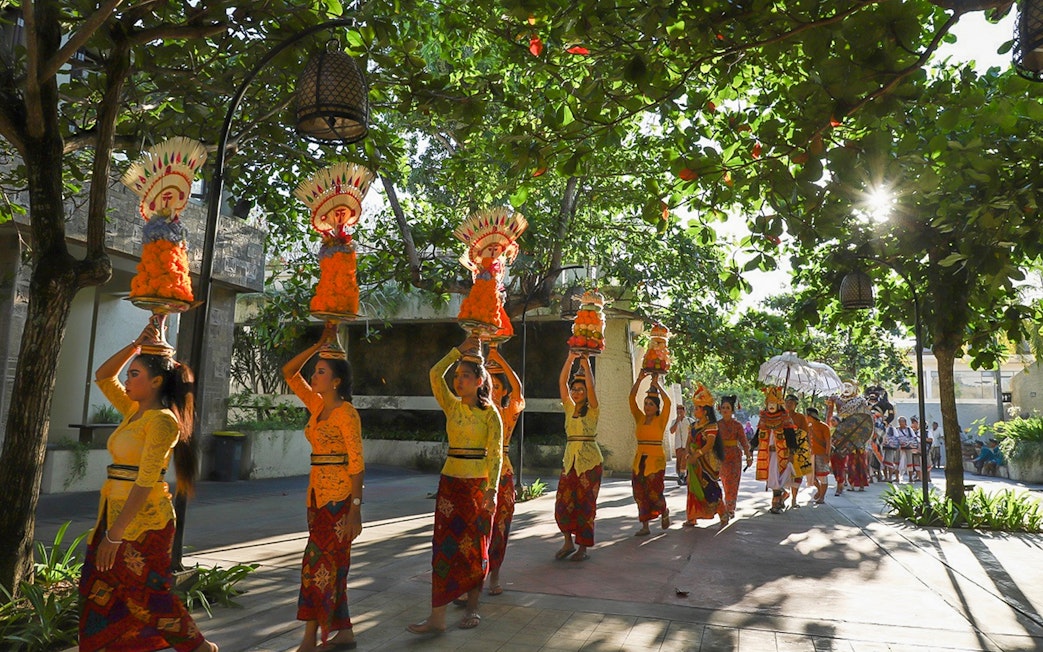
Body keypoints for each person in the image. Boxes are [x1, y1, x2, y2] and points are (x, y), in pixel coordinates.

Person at [78, 321, 218, 652]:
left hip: (144, 523)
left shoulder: (163, 421)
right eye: (129, 374)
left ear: (156, 381)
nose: (127, 380)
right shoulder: (133, 411)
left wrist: (116, 534)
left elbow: (145, 481)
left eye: (135, 374)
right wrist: (135, 346)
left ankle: (198, 647)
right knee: (98, 588)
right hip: (112, 515)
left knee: (147, 595)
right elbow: (102, 376)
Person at [409, 335, 503, 634]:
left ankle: (473, 607)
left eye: (465, 376)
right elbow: (435, 374)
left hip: (477, 486)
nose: (458, 381)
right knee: (444, 548)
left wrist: (492, 490)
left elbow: (497, 452)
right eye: (458, 376)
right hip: (450, 484)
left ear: (479, 381)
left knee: (474, 548)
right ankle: (437, 618)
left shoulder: (491, 414)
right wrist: (458, 350)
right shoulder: (451, 406)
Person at [282, 323, 364, 651]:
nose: (314, 376)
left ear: (336, 380)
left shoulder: (347, 414)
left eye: (320, 371)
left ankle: (310, 639)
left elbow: (357, 465)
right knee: (330, 568)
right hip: (315, 498)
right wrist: (319, 343)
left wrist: (355, 511)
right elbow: (289, 372)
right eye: (314, 371)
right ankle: (344, 633)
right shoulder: (317, 406)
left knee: (318, 568)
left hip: (340, 501)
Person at [484, 345, 525, 596]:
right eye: (489, 386)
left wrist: (499, 358)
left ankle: (495, 575)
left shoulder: (508, 411)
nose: (493, 390)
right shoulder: (476, 410)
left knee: (499, 527)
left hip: (503, 474)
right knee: (476, 529)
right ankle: (472, 581)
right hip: (478, 472)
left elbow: (519, 389)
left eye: (497, 386)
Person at [554, 351, 603, 562]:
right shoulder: (568, 408)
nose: (576, 392)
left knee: (586, 505)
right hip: (569, 462)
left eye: (580, 390)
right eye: (574, 389)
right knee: (563, 503)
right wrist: (570, 357)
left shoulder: (592, 409)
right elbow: (562, 381)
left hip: (590, 462)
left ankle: (583, 546)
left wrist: (586, 362)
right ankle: (567, 541)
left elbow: (591, 387)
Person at [628, 370, 672, 536]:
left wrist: (657, 385)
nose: (647, 407)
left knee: (654, 492)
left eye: (650, 404)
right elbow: (631, 399)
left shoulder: (661, 420)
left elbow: (668, 403)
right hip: (639, 460)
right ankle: (645, 526)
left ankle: (664, 510)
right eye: (646, 404)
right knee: (639, 492)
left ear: (656, 407)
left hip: (655, 461)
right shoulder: (639, 418)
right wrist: (639, 381)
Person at [684, 383, 729, 528]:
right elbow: (688, 442)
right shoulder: (692, 426)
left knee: (709, 488)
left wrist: (696, 455)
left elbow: (709, 445)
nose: (695, 411)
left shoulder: (711, 426)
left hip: (706, 463)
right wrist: (687, 455)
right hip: (693, 462)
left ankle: (722, 512)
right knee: (692, 488)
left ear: (705, 411)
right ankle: (692, 517)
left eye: (697, 408)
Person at [755, 386, 798, 514]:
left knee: (778, 479)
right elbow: (757, 435)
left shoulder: (785, 419)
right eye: (769, 404)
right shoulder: (764, 419)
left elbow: (791, 437)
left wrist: (791, 452)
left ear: (779, 404)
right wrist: (751, 447)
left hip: (781, 455)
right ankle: (778, 500)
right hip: (768, 454)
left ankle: (777, 503)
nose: (771, 406)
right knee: (773, 479)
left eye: (774, 403)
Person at [717, 395, 751, 519]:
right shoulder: (717, 425)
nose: (725, 410)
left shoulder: (737, 425)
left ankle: (730, 509)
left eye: (728, 407)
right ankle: (726, 506)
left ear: (732, 410)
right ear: (720, 409)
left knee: (733, 484)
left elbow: (744, 441)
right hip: (721, 457)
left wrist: (748, 456)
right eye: (723, 407)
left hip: (734, 457)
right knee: (725, 483)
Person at [783, 394, 813, 508]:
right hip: (784, 448)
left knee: (797, 474)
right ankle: (781, 496)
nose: (789, 404)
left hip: (798, 448)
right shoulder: (780, 416)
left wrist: (809, 447)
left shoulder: (800, 417)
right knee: (783, 474)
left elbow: (805, 433)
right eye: (787, 402)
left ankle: (794, 499)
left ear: (795, 405)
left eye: (792, 403)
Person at [806, 407, 832, 504]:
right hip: (811, 454)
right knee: (811, 477)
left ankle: (822, 497)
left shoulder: (824, 427)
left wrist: (827, 455)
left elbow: (828, 442)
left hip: (822, 454)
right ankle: (820, 491)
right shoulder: (809, 427)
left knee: (822, 477)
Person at [670, 404, 693, 486]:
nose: (679, 413)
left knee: (685, 460)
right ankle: (681, 476)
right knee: (679, 461)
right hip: (678, 445)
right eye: (678, 411)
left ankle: (683, 476)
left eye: (681, 411)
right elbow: (672, 431)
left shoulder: (690, 421)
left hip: (687, 444)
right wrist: (677, 421)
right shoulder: (674, 421)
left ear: (684, 411)